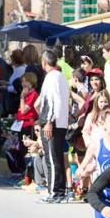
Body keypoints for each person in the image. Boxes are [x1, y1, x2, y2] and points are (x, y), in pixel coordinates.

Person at [38, 49, 71, 203]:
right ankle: (59, 190)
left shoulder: (51, 77)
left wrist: (49, 121)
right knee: (56, 157)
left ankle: (55, 192)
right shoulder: (61, 77)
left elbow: (52, 101)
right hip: (60, 122)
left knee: (52, 158)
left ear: (44, 62)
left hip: (53, 122)